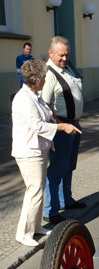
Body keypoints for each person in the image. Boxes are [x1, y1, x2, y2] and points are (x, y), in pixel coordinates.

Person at [11, 60, 81, 247]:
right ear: (35, 79)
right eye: (42, 78)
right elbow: (38, 126)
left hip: (38, 149)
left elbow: (48, 113)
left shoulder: (35, 95)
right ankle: (23, 233)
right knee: (34, 191)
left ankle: (35, 227)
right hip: (28, 151)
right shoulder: (24, 99)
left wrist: (64, 122)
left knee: (38, 190)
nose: (44, 80)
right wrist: (62, 126)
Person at [41, 36, 86, 224]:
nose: (65, 58)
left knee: (69, 167)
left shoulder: (67, 68)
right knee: (57, 169)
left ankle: (66, 200)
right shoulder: (49, 74)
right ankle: (50, 211)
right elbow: (45, 105)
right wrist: (62, 125)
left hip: (74, 126)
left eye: (67, 55)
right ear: (51, 53)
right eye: (61, 55)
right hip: (62, 128)